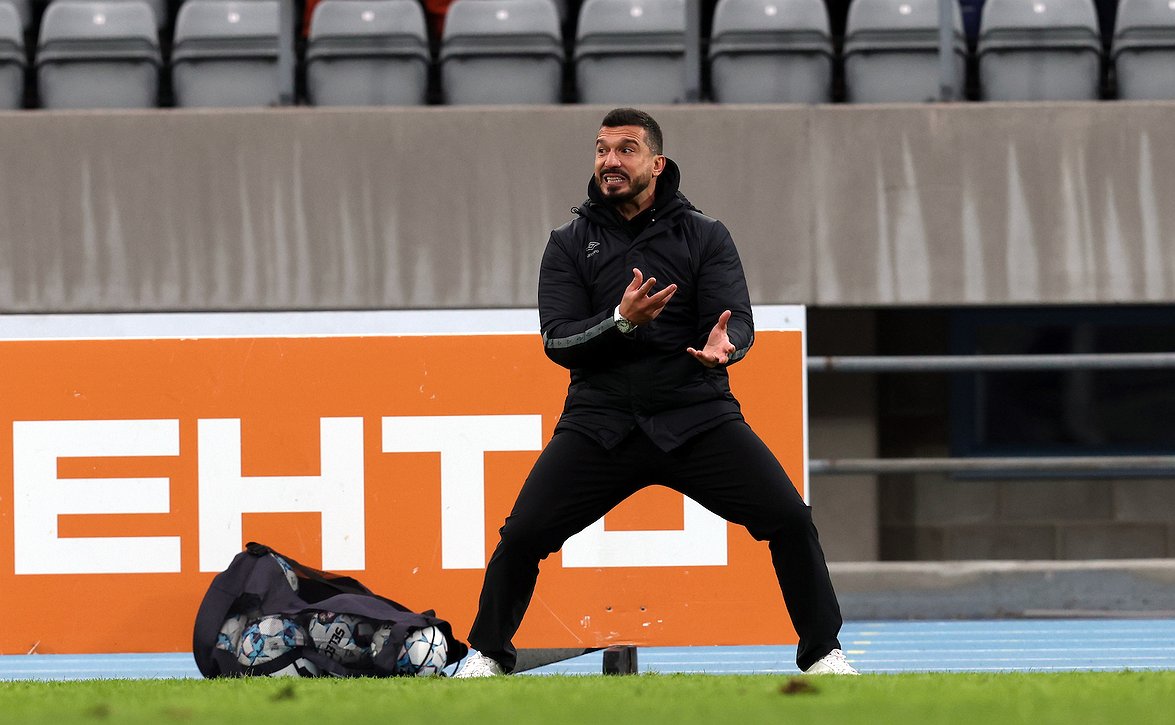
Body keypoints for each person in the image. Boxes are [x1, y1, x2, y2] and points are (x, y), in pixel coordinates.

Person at [453, 108, 857, 678]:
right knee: (522, 535)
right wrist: (620, 319)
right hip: (600, 424)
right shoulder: (567, 243)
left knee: (790, 518)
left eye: (626, 149)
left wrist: (728, 345)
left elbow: (736, 318)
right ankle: (488, 654)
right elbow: (559, 341)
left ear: (656, 163)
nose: (610, 161)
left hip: (696, 416)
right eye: (601, 149)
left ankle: (823, 653)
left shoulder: (705, 235)